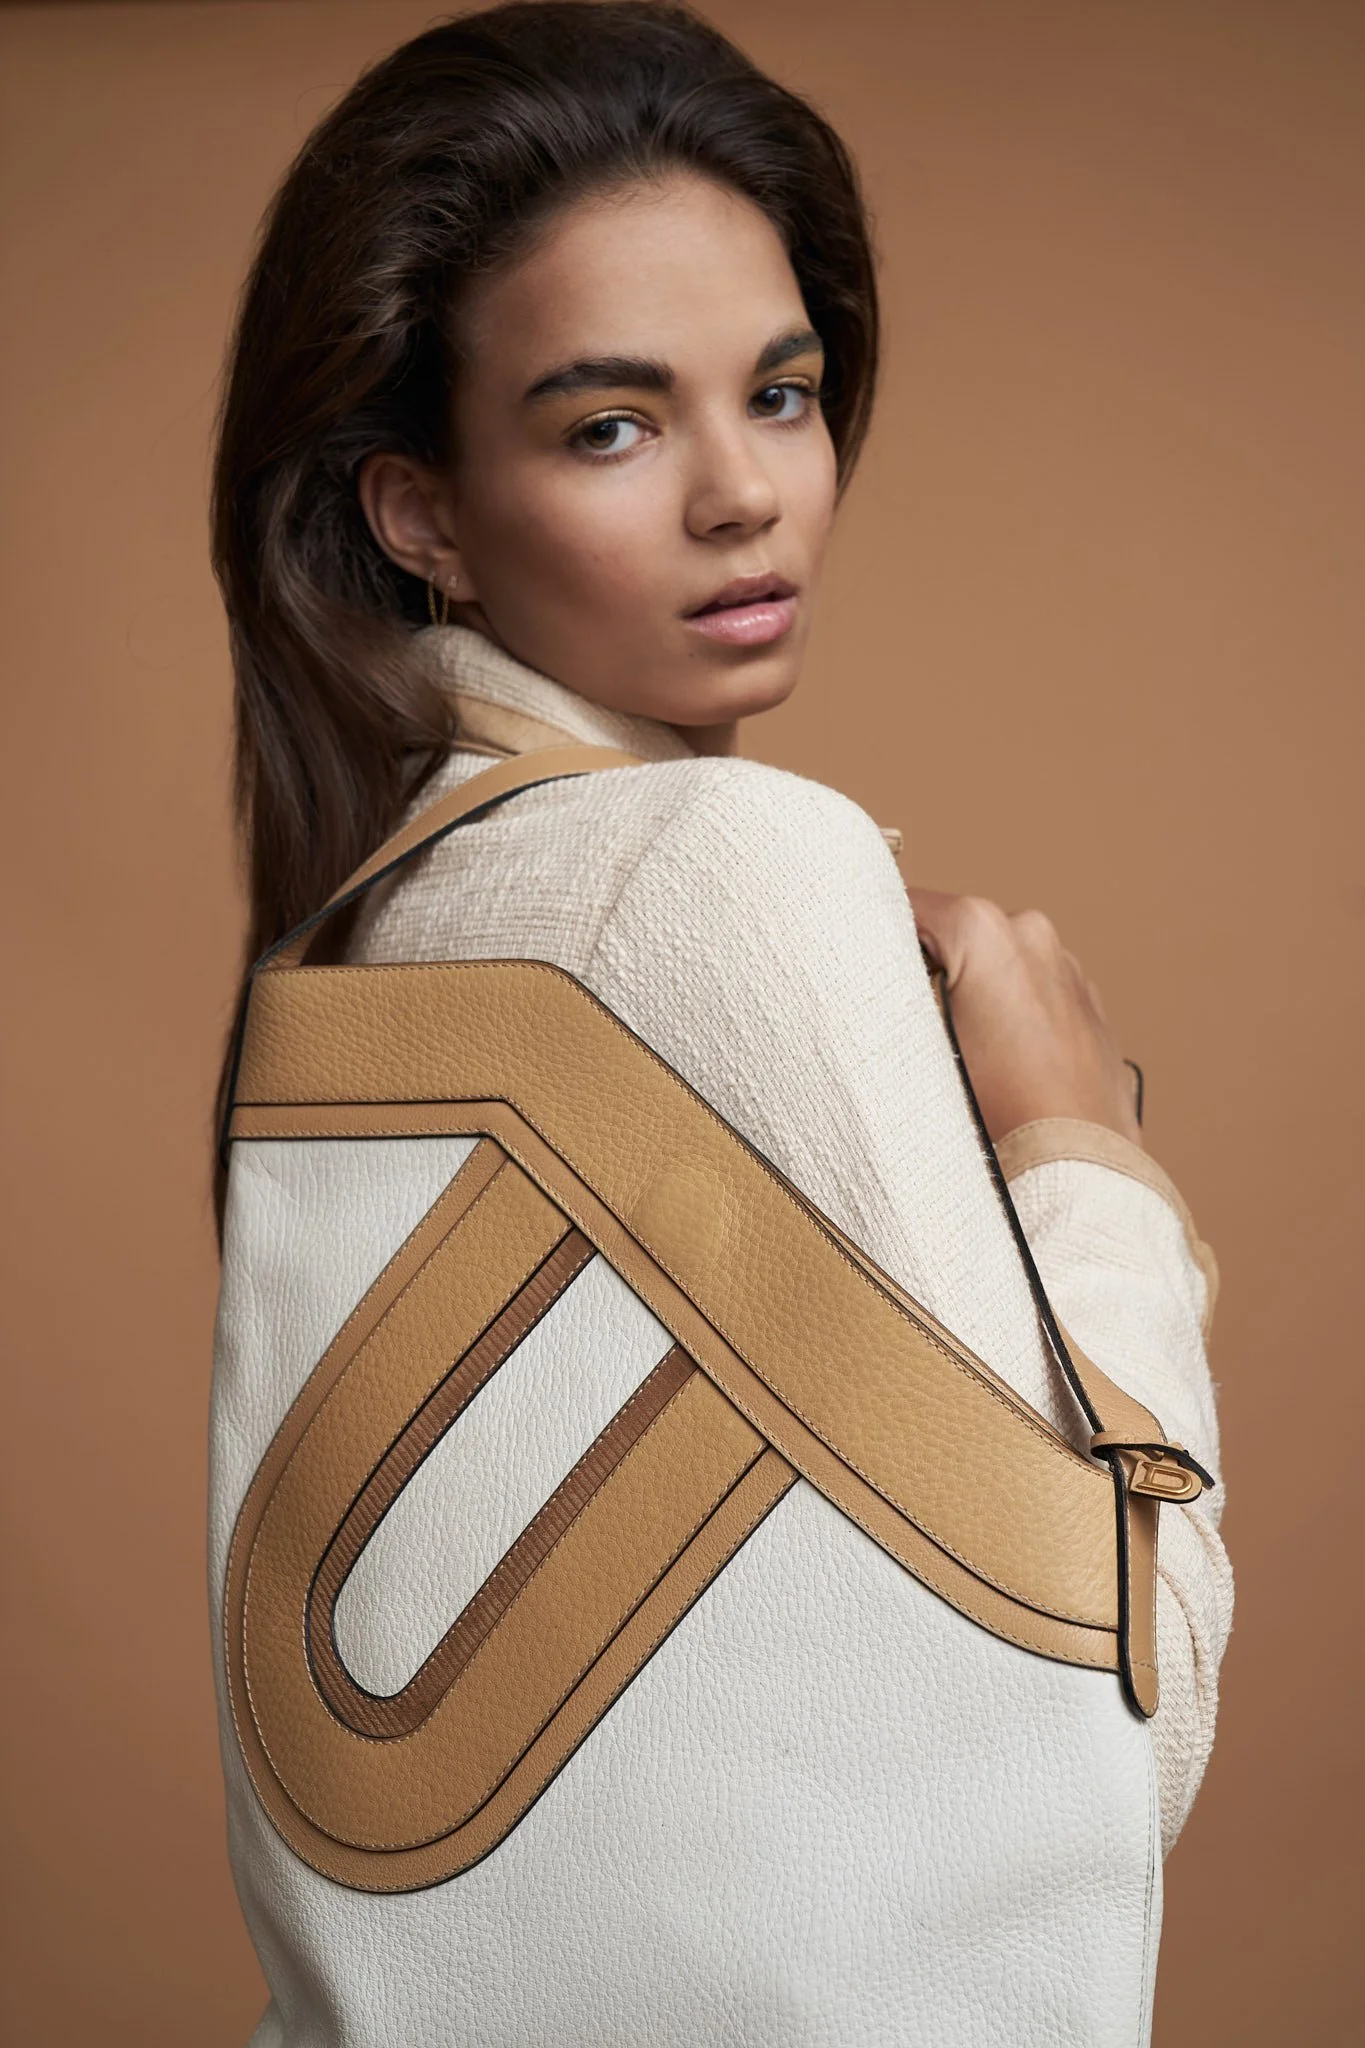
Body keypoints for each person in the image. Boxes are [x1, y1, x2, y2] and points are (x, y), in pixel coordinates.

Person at [208, 5, 1231, 2041]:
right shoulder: (726, 871)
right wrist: (1078, 1144)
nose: (744, 496)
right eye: (608, 425)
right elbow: (1131, 1708)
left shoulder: (366, 916)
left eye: (780, 393)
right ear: (416, 510)